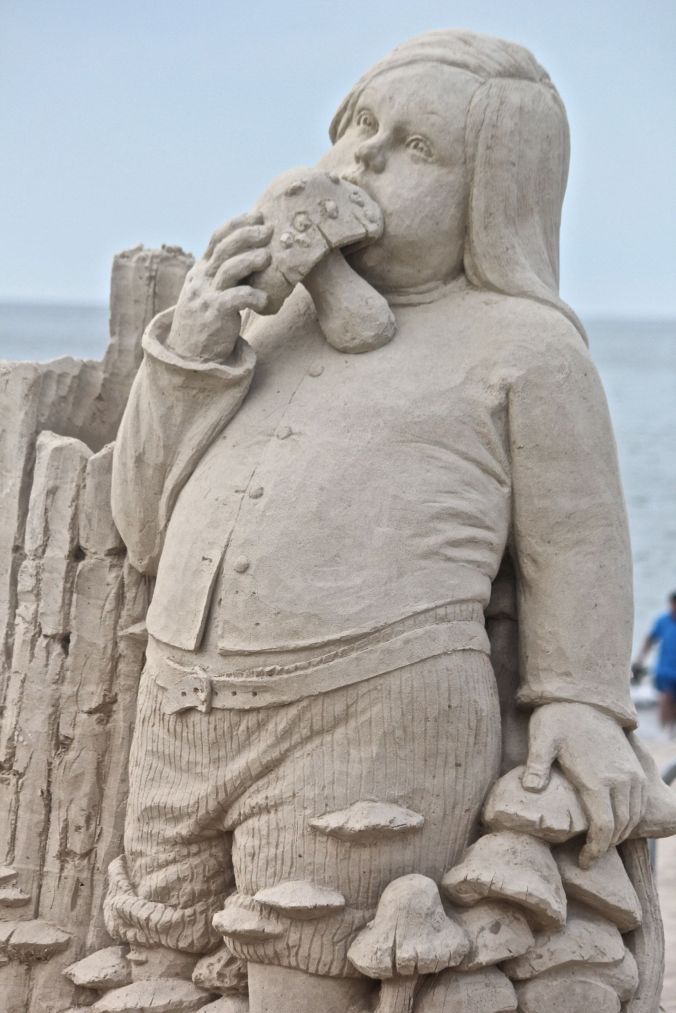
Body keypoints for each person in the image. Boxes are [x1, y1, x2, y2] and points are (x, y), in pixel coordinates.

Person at [104, 31, 648, 1012]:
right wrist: (191, 349)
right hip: (181, 711)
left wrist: (577, 698)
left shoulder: (523, 344)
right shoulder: (267, 326)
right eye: (357, 126)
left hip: (369, 716)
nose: (363, 157)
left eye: (416, 147)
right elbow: (141, 525)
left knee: (313, 972)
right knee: (154, 966)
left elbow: (574, 541)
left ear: (495, 193)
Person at [633, 592, 676, 733]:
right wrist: (640, 659)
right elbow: (650, 640)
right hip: (665, 669)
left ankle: (671, 731)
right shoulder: (663, 620)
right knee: (666, 696)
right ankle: (663, 730)